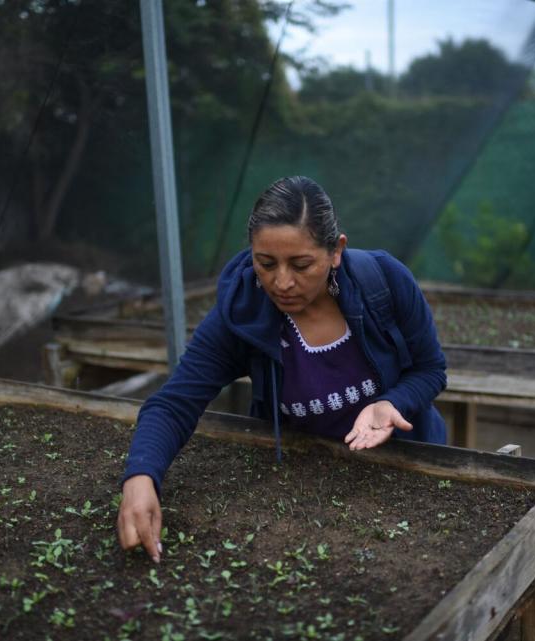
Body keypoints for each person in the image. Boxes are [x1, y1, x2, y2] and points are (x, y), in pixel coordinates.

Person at [116, 176, 448, 562]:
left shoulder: (384, 282)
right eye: (266, 263)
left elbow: (430, 370)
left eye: (302, 264)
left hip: (409, 475)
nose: (282, 282)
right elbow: (174, 404)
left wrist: (393, 403)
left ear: (336, 251)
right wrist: (140, 477)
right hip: (306, 491)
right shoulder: (241, 315)